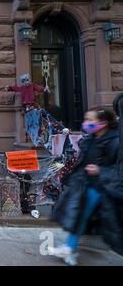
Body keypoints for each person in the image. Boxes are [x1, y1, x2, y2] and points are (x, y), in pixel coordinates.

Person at [49, 107, 123, 265]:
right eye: (86, 119)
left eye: (90, 120)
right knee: (79, 215)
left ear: (103, 123)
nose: (86, 123)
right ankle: (70, 248)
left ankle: (69, 249)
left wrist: (100, 170)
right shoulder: (90, 139)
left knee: (81, 215)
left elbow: (119, 168)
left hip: (104, 188)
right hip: (86, 184)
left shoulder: (115, 141)